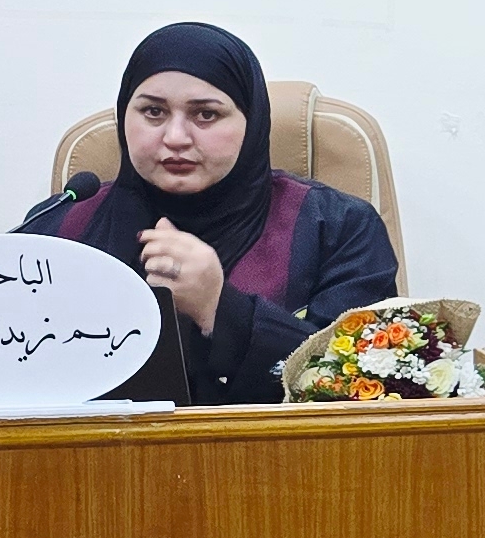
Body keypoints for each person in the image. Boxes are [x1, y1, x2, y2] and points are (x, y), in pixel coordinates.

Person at [34, 23, 399, 407]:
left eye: (206, 114)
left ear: (252, 121)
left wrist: (220, 309)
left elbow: (361, 388)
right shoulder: (58, 227)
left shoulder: (338, 228)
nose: (175, 137)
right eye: (153, 112)